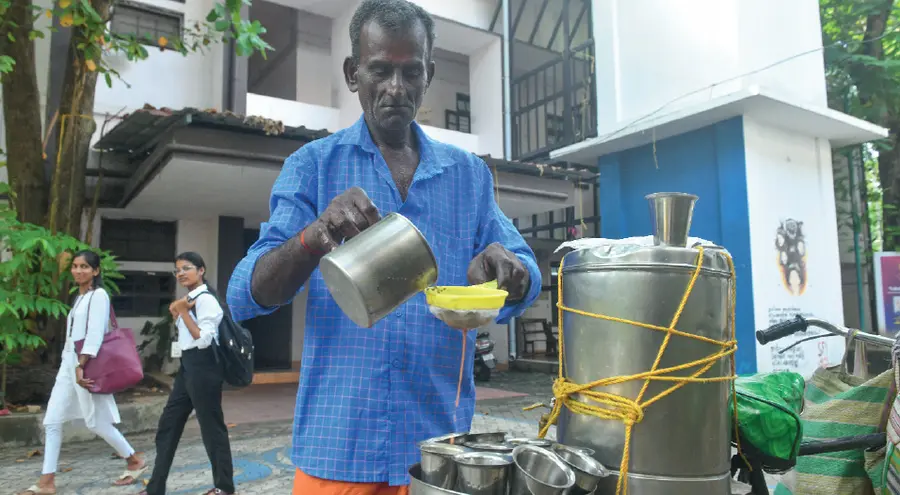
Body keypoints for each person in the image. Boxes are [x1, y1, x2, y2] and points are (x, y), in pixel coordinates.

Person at [226, 0, 541, 493]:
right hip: (339, 450)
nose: (396, 88)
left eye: (411, 72)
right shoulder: (313, 166)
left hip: (438, 451)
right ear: (353, 74)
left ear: (428, 74)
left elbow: (525, 275)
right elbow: (247, 294)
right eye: (380, 70)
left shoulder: (467, 176)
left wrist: (510, 269)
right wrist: (314, 236)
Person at [18, 250, 146, 495]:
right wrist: (71, 365)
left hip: (84, 364)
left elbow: (96, 334)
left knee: (95, 422)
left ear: (96, 271)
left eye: (85, 267)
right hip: (69, 364)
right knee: (52, 421)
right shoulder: (80, 297)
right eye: (75, 266)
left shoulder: (99, 295)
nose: (78, 271)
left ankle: (133, 459)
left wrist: (80, 365)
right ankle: (47, 481)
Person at [139, 252, 235, 495]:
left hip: (204, 367)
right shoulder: (190, 299)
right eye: (178, 270)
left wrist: (182, 311)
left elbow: (203, 339)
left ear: (201, 270)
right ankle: (155, 488)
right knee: (168, 426)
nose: (181, 273)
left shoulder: (206, 300)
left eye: (187, 268)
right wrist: (180, 310)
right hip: (188, 367)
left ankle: (224, 488)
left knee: (212, 429)